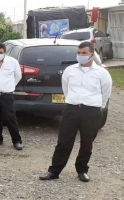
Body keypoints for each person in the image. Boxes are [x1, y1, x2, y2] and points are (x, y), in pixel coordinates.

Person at [40, 41, 112, 182]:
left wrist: (99, 106)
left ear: (91, 55)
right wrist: (73, 101)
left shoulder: (101, 73)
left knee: (87, 143)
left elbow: (106, 92)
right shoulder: (70, 70)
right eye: (79, 53)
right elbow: (65, 88)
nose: (81, 56)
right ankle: (54, 171)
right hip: (71, 110)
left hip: (91, 111)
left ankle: (82, 170)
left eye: (84, 53)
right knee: (63, 142)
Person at [0, 42, 24, 150]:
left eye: (0, 52)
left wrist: (10, 86)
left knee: (10, 118)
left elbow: (18, 76)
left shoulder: (12, 62)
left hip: (7, 95)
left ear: (4, 52)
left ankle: (17, 141)